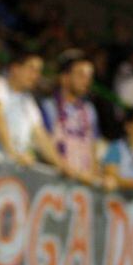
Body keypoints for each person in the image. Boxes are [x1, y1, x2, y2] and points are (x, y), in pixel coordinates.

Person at [0, 51, 66, 170]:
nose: (36, 76)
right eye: (31, 69)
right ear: (15, 68)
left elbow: (40, 136)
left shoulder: (28, 101)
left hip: (18, 165)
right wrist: (12, 153)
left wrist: (62, 165)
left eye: (38, 71)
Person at [41, 53, 102, 185]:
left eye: (89, 76)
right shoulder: (49, 106)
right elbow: (44, 142)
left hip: (83, 184)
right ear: (64, 78)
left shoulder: (90, 110)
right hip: (54, 180)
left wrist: (94, 176)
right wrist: (63, 166)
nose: (86, 81)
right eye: (81, 75)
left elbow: (93, 147)